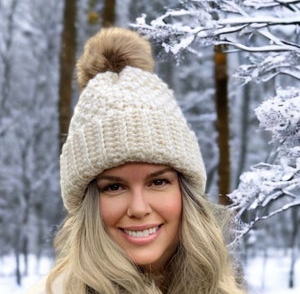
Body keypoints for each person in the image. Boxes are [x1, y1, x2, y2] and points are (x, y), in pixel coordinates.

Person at [27, 27, 245, 294]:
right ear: (88, 204)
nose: (139, 208)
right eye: (114, 187)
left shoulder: (226, 287)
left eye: (158, 182)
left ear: (185, 191)